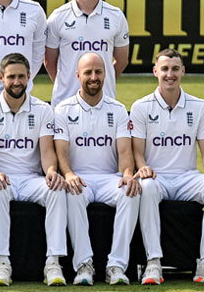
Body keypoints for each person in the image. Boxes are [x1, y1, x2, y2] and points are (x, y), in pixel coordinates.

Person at [131, 48, 204, 285]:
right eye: (164, 69)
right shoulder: (141, 107)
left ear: (183, 71)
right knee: (148, 187)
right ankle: (153, 263)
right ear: (155, 72)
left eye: (175, 69)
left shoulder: (199, 106)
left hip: (187, 178)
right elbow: (136, 152)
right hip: (157, 178)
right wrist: (142, 167)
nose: (169, 74)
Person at [0, 52, 66, 286]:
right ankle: (1, 263)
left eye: (21, 77)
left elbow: (47, 152)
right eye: (11, 77)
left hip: (31, 179)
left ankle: (53, 263)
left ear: (29, 77)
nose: (16, 82)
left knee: (56, 189)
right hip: (2, 177)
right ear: (1, 78)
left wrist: (51, 172)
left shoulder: (43, 109)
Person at [54, 52, 140, 285]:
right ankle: (84, 265)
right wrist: (69, 174)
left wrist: (128, 175)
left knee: (131, 192)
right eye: (88, 72)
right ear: (78, 75)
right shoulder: (63, 109)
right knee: (71, 192)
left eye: (98, 72)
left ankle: (116, 265)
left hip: (110, 179)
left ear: (106, 75)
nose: (93, 77)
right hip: (79, 178)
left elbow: (125, 153)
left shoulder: (118, 109)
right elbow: (61, 152)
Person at [45, 0, 129, 107]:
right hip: (65, 104)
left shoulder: (116, 16)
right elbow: (49, 62)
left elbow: (122, 61)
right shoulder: (58, 17)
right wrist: (67, 84)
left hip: (105, 103)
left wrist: (101, 81)